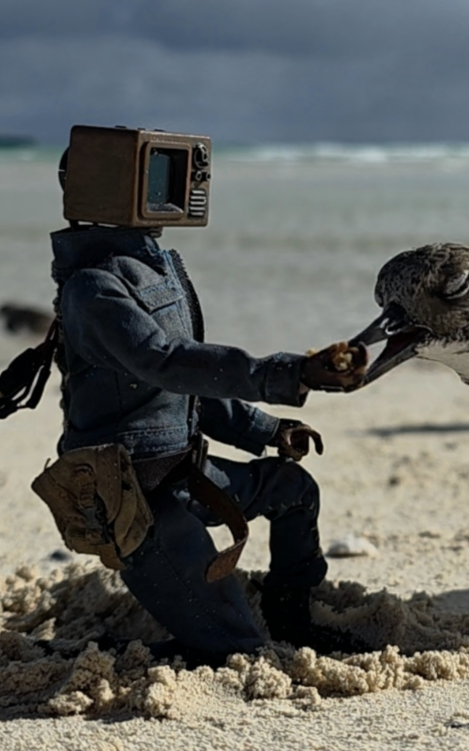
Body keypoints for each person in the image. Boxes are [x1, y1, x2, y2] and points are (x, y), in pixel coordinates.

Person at [42, 127, 368, 665]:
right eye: (157, 174)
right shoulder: (93, 287)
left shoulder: (157, 267)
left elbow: (188, 383)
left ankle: (291, 611)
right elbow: (166, 363)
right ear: (108, 185)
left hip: (187, 474)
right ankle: (114, 656)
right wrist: (287, 372)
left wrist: (265, 429)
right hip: (135, 501)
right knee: (235, 648)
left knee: (293, 490)